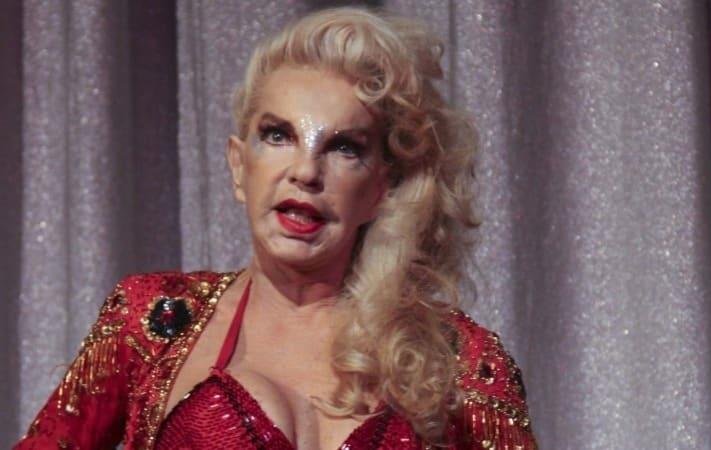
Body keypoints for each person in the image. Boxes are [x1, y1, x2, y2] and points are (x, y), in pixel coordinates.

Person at [15, 6, 537, 450]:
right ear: (239, 166)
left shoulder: (460, 361)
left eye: (344, 148)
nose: (306, 171)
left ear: (382, 187)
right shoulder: (151, 322)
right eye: (278, 135)